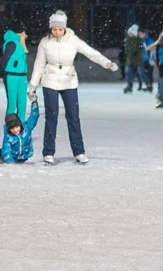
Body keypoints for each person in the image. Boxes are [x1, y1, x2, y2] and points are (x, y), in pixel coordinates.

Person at [28, 10, 118, 165]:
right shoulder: (45, 42)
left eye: (60, 29)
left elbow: (91, 53)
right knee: (51, 117)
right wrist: (33, 86)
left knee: (73, 117)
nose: (57, 32)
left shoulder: (73, 40)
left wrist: (106, 63)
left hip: (69, 82)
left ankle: (79, 151)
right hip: (50, 81)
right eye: (54, 29)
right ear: (51, 28)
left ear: (65, 28)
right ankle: (48, 153)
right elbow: (39, 64)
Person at [0, 100, 40, 164]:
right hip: (11, 156)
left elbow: (34, 117)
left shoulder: (27, 129)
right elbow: (6, 150)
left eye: (17, 127)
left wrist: (34, 103)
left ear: (20, 125)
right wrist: (10, 163)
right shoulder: (8, 136)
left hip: (23, 157)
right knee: (1, 160)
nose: (15, 130)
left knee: (2, 152)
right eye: (12, 129)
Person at [0, 21, 28, 122]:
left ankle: (21, 128)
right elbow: (4, 59)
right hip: (11, 76)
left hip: (22, 76)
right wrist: (1, 73)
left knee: (22, 104)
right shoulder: (12, 42)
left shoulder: (19, 43)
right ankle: (10, 128)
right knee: (12, 104)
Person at [123, 24, 144, 93]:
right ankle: (129, 86)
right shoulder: (127, 40)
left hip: (137, 61)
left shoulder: (138, 40)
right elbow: (127, 51)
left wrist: (132, 51)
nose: (130, 34)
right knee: (129, 74)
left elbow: (137, 50)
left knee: (139, 74)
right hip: (131, 61)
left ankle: (140, 85)